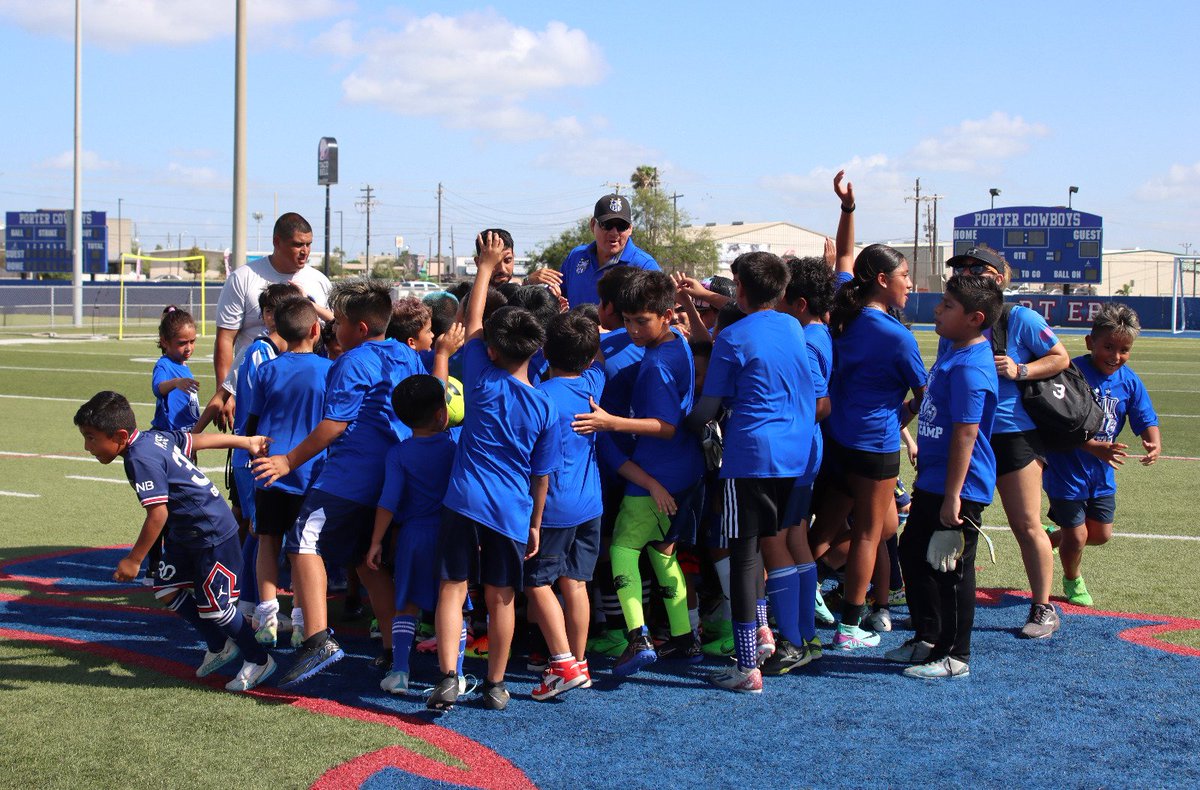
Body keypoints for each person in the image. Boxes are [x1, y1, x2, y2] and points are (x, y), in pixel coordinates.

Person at [253, 277, 424, 687]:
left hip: (353, 474)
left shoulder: (352, 360)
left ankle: (316, 639)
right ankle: (390, 650)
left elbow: (335, 424)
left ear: (360, 329)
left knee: (301, 541)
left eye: (340, 322)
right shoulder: (405, 353)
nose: (334, 329)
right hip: (392, 472)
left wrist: (287, 460)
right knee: (369, 561)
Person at [429, 231, 561, 712]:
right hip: (511, 509)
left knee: (452, 587)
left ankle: (448, 676)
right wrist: (536, 523)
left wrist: (484, 268)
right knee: (502, 596)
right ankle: (496, 684)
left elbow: (476, 320)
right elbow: (540, 476)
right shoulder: (545, 407)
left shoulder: (480, 377)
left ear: (490, 352)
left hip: (462, 500)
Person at [74, 391, 275, 691]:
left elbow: (158, 514)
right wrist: (245, 442)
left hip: (211, 533)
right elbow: (197, 441)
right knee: (166, 589)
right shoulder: (153, 438)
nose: (87, 447)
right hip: (187, 534)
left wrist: (134, 559)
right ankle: (219, 645)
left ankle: (259, 660)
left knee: (217, 608)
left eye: (91, 438)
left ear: (118, 435)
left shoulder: (139, 458)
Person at [684, 252, 816, 692]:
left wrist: (674, 425)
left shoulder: (734, 336)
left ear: (739, 287)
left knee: (742, 554)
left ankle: (746, 667)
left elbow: (707, 407)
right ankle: (760, 632)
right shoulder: (792, 325)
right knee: (758, 546)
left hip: (751, 454)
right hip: (795, 453)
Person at [572, 270, 705, 677]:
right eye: (627, 319)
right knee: (663, 554)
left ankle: (637, 636)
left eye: (641, 321)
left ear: (667, 315)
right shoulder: (676, 341)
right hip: (683, 470)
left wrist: (611, 422)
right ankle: (684, 638)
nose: (631, 329)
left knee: (622, 552)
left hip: (656, 475)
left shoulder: (656, 366)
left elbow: (665, 426)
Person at [944, 245, 1070, 639]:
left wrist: (1021, 369)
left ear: (999, 277)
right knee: (955, 521)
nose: (965, 271)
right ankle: (945, 609)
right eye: (960, 267)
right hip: (969, 435)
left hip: (1014, 433)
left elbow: (1061, 357)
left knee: (1026, 523)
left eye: (974, 267)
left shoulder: (1020, 318)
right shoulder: (956, 318)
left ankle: (1043, 606)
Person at [814, 243, 926, 650]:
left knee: (820, 533)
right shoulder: (897, 336)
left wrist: (847, 209)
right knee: (869, 534)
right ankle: (849, 627)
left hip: (836, 440)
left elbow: (844, 261)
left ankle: (784, 603)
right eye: (904, 276)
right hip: (874, 446)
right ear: (882, 280)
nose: (910, 284)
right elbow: (927, 393)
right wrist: (906, 414)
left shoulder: (843, 314)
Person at [890, 274, 1001, 678]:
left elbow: (967, 433)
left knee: (952, 569)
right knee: (913, 555)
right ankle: (927, 637)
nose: (938, 310)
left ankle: (956, 654)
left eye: (948, 306)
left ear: (975, 318)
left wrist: (954, 495)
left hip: (960, 486)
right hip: (935, 480)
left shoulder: (972, 366)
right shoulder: (952, 352)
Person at [1043, 303, 1161, 606]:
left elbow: (1145, 416)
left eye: (1124, 349)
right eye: (1108, 346)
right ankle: (1073, 580)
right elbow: (1054, 424)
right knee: (1078, 536)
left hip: (1101, 473)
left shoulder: (1129, 381)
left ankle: (1054, 538)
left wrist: (1153, 441)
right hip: (1066, 469)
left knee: (1101, 534)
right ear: (1090, 342)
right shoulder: (1070, 373)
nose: (1115, 356)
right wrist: (1091, 446)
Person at [366, 373, 464, 696]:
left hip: (412, 536)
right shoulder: (456, 445)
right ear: (442, 413)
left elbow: (388, 501)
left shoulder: (399, 454)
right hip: (450, 533)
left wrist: (377, 540)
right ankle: (456, 674)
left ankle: (399, 672)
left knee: (406, 603)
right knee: (452, 603)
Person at [526, 312, 605, 700]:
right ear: (590, 357)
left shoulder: (538, 399)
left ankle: (562, 664)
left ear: (544, 349)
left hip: (553, 507)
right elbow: (597, 357)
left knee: (537, 582)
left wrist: (534, 521)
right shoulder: (594, 382)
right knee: (576, 583)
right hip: (590, 503)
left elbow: (536, 468)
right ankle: (579, 661)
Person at [245, 296, 332, 647]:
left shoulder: (267, 369)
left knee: (268, 540)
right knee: (305, 548)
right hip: (311, 472)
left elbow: (252, 422)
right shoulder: (329, 370)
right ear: (316, 330)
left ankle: (266, 615)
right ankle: (300, 620)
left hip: (269, 468)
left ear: (277, 330)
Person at [213, 213, 332, 426]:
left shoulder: (319, 281)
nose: (305, 251)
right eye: (297, 244)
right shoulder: (244, 278)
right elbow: (225, 338)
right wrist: (226, 393)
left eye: (308, 244)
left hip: (306, 390)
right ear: (277, 241)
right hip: (256, 390)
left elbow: (333, 332)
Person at [776, 255, 837, 659]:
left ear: (799, 304)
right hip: (806, 451)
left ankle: (793, 640)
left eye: (781, 298)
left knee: (776, 541)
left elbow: (820, 404)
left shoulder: (807, 341)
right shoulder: (818, 331)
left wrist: (778, 418)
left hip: (796, 451)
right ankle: (804, 635)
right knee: (795, 536)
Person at [525, 194, 659, 307]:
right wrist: (538, 288)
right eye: (607, 225)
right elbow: (557, 296)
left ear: (630, 229)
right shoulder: (576, 257)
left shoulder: (644, 265)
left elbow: (658, 313)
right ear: (593, 225)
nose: (614, 232)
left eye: (621, 226)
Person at [151, 306, 201, 432]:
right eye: (182, 343)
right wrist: (176, 382)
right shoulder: (164, 364)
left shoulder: (184, 366)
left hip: (186, 433)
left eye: (192, 341)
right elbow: (158, 388)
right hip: (170, 434)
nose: (188, 347)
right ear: (164, 342)